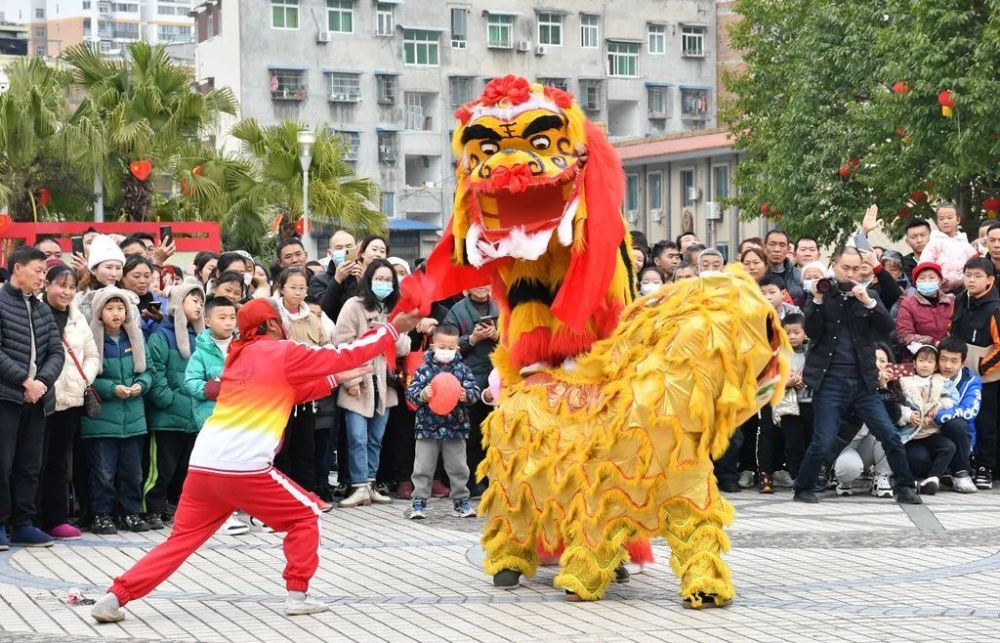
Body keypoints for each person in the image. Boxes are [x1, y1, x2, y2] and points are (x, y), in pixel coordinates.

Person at [89, 297, 420, 622]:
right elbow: (342, 353)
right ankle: (297, 596)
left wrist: (338, 378)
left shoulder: (240, 357)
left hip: (204, 466)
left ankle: (115, 596)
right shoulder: (281, 351)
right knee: (307, 515)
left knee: (179, 543)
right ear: (273, 323)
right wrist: (391, 329)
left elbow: (291, 392)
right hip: (244, 469)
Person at [793, 246, 921, 504]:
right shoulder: (822, 295)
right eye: (845, 268)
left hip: (864, 382)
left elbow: (887, 329)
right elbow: (812, 331)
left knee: (889, 435)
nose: (850, 273)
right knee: (823, 440)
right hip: (830, 383)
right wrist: (817, 299)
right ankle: (803, 487)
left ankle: (905, 487)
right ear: (835, 265)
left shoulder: (868, 294)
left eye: (855, 268)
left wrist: (869, 302)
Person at [0, 246, 65, 549]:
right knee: (3, 462)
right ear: (17, 269)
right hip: (6, 397)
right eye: (38, 270)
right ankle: (1, 524)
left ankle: (23, 523)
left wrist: (40, 383)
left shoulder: (41, 308)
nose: (43, 277)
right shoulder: (1, 302)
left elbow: (56, 350)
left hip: (38, 399)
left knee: (29, 464)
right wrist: (24, 381)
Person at [334, 259, 412, 508]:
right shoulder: (353, 306)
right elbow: (341, 343)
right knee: (357, 435)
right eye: (379, 279)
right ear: (369, 280)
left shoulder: (397, 308)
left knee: (376, 436)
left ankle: (370, 482)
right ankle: (358, 485)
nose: (383, 284)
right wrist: (352, 380)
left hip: (384, 382)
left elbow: (405, 346)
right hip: (358, 379)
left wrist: (387, 334)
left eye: (388, 280)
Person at [82, 287, 152, 535]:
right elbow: (86, 377)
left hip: (133, 419)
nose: (116, 314)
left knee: (132, 471)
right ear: (99, 312)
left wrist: (140, 385)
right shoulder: (90, 339)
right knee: (103, 472)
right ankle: (102, 514)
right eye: (110, 308)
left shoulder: (134, 338)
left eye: (120, 308)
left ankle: (130, 513)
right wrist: (112, 388)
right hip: (102, 420)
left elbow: (147, 371)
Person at [39, 264, 99, 541]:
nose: (66, 292)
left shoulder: (78, 318)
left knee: (60, 462)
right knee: (31, 462)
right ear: (46, 284)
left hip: (71, 399)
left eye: (72, 287)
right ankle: (26, 518)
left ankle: (55, 518)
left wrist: (82, 380)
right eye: (60, 285)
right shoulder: (35, 312)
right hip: (38, 398)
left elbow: (92, 355)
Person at [183, 296, 249, 535]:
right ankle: (224, 515)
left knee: (246, 466)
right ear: (208, 320)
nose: (229, 322)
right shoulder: (200, 353)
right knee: (221, 468)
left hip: (243, 418)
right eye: (222, 318)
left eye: (232, 317)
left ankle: (255, 510)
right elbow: (190, 382)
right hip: (214, 419)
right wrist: (212, 389)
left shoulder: (243, 348)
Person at [143, 284, 206, 530]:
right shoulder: (161, 335)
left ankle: (176, 507)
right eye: (194, 300)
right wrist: (167, 399)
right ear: (178, 303)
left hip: (193, 416)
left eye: (201, 302)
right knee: (161, 469)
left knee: (186, 468)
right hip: (167, 416)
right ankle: (151, 509)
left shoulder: (201, 339)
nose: (199, 306)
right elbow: (155, 371)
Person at [404, 324, 481, 520]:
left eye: (450, 348)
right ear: (432, 346)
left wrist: (466, 395)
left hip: (455, 428)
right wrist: (423, 394)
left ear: (457, 348)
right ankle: (419, 502)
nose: (446, 351)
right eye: (442, 347)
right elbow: (411, 392)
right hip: (427, 427)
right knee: (423, 467)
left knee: (458, 467)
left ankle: (461, 502)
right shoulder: (423, 370)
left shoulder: (463, 371)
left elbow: (475, 392)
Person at [273, 268, 330, 494]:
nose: (298, 293)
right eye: (293, 287)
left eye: (302, 288)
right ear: (281, 288)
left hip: (307, 395)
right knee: (281, 448)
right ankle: (282, 496)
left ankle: (307, 494)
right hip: (279, 395)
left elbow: (326, 347)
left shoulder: (312, 318)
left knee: (306, 446)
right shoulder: (273, 316)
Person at [443, 283, 499, 497]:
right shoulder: (456, 311)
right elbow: (446, 346)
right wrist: (472, 339)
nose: (482, 286)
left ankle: (492, 478)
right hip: (467, 379)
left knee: (493, 432)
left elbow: (514, 342)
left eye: (487, 281)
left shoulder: (500, 309)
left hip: (496, 380)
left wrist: (496, 337)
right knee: (470, 433)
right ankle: (471, 481)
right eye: (476, 281)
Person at [948, 257, 1000, 489]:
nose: (971, 280)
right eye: (968, 274)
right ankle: (962, 463)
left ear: (990, 280)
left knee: (986, 422)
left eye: (977, 276)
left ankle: (985, 467)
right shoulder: (960, 300)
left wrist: (981, 368)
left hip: (987, 376)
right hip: (960, 371)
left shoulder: (995, 308)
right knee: (960, 417)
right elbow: (952, 329)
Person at [833, 343, 909, 498]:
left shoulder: (891, 387)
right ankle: (843, 480)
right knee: (849, 469)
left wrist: (883, 389)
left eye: (882, 361)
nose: (878, 365)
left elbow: (894, 418)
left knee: (890, 434)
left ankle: (882, 477)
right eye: (874, 360)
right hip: (844, 443)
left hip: (871, 443)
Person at [899, 344, 959, 494]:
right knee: (919, 458)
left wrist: (936, 409)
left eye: (930, 362)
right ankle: (913, 479)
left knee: (949, 446)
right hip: (912, 433)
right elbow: (895, 404)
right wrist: (908, 415)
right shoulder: (904, 381)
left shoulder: (942, 381)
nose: (925, 365)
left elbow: (952, 399)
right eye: (922, 360)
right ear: (914, 363)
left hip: (931, 431)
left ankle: (933, 479)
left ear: (935, 365)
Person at [932, 336, 981, 493]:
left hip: (959, 437)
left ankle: (961, 472)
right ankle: (939, 473)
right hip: (929, 435)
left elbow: (970, 411)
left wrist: (937, 414)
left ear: (963, 362)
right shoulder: (927, 374)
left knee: (956, 424)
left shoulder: (971, 381)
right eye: (944, 359)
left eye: (954, 361)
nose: (947, 365)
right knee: (917, 458)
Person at [771, 314, 810, 486]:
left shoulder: (813, 351)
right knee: (793, 442)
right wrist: (786, 382)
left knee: (810, 439)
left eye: (796, 332)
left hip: (810, 403)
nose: (792, 336)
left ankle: (811, 475)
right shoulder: (778, 353)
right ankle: (796, 477)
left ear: (805, 333)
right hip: (788, 406)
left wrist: (807, 379)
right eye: (787, 333)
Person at [319, 235, 387, 322]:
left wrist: (363, 281)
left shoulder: (386, 277)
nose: (345, 251)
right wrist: (337, 280)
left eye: (349, 247)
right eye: (339, 248)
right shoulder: (320, 280)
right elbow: (325, 312)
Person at [895, 262, 954, 353]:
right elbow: (904, 335)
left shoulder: (951, 301)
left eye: (932, 277)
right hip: (920, 356)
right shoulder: (908, 304)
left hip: (948, 353)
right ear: (916, 283)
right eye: (922, 278)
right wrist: (934, 342)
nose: (927, 281)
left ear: (940, 281)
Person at [920, 203, 977, 292]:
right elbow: (925, 263)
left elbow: (976, 262)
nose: (945, 221)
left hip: (963, 289)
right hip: (938, 289)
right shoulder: (934, 242)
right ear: (937, 221)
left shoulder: (965, 244)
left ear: (958, 220)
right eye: (941, 219)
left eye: (949, 218)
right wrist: (935, 278)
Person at [77, 235, 126, 322]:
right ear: (93, 270)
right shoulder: (79, 300)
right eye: (109, 267)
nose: (114, 274)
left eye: (118, 268)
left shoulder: (128, 297)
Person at [120, 255, 167, 338]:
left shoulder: (162, 301)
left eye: (147, 276)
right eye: (136, 276)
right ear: (122, 277)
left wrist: (163, 320)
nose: (142, 281)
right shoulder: (117, 302)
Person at [764, 230, 804, 303]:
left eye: (782, 245)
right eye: (772, 244)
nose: (777, 249)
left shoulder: (799, 276)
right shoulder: (758, 275)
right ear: (764, 247)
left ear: (788, 249)